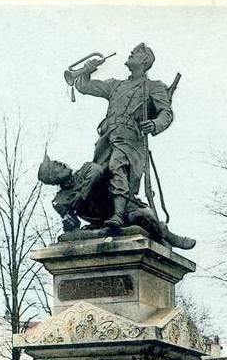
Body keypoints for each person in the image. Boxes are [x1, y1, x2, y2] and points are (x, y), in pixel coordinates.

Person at [74, 43, 173, 229]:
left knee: (116, 166)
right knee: (99, 174)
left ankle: (118, 215)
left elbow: (166, 113)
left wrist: (154, 124)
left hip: (130, 140)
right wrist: (87, 71)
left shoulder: (153, 86)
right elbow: (85, 86)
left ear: (144, 60)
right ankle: (101, 216)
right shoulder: (116, 85)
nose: (131, 53)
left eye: (135, 53)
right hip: (106, 139)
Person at [38, 155, 196, 250]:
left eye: (58, 162)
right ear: (54, 179)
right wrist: (69, 223)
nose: (60, 163)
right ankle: (163, 242)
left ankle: (167, 236)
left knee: (142, 217)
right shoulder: (60, 201)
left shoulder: (86, 169)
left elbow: (97, 171)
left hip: (122, 209)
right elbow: (73, 225)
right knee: (140, 225)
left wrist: (82, 194)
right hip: (102, 222)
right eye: (55, 166)